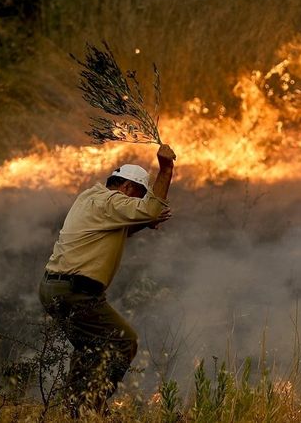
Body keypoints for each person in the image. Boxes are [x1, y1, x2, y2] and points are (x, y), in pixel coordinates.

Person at [39, 144, 176, 417]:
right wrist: (166, 170)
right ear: (126, 188)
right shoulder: (112, 201)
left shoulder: (90, 198)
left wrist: (141, 223)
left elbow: (115, 231)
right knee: (124, 341)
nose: (135, 202)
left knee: (91, 349)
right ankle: (91, 407)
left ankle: (73, 410)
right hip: (76, 290)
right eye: (138, 195)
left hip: (55, 287)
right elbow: (149, 209)